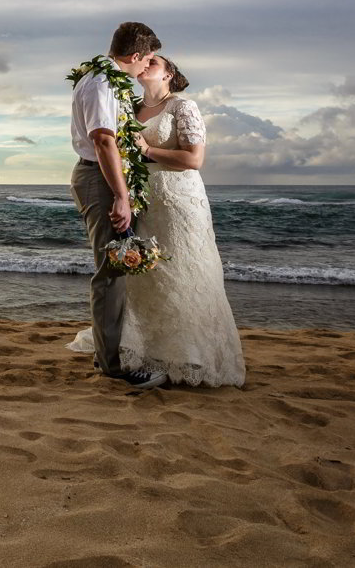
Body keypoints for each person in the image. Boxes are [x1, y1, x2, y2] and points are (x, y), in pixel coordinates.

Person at [71, 54, 246, 387]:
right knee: (146, 278)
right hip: (143, 200)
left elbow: (194, 159)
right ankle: (148, 351)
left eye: (156, 61)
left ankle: (191, 354)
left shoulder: (183, 107)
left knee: (185, 270)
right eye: (145, 59)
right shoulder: (130, 106)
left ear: (169, 75)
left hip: (179, 200)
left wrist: (147, 150)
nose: (147, 63)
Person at [68, 21, 163, 389]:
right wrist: (121, 197)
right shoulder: (101, 82)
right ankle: (111, 367)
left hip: (107, 176)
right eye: (148, 59)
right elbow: (105, 141)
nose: (147, 67)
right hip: (100, 179)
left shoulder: (109, 81)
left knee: (117, 269)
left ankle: (106, 355)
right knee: (110, 273)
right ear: (136, 55)